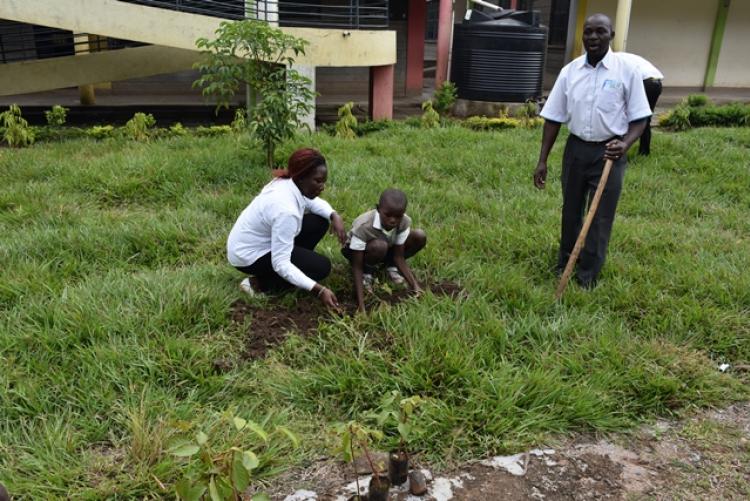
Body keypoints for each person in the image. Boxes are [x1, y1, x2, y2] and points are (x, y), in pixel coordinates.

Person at [534, 13, 652, 288]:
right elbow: (553, 117)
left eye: (600, 32)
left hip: (609, 153)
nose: (593, 37)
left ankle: (588, 275)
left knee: (599, 216)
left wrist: (625, 144)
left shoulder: (626, 71)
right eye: (588, 32)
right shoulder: (570, 71)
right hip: (575, 150)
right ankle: (566, 262)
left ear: (611, 35)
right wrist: (543, 160)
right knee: (571, 211)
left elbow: (640, 118)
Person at [227, 148, 346, 309]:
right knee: (321, 268)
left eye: (324, 181)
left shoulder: (289, 182)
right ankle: (257, 283)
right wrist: (318, 289)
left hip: (256, 241)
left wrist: (333, 215)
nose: (323, 186)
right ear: (302, 178)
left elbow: (311, 202)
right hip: (248, 255)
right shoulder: (286, 210)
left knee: (319, 221)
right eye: (318, 181)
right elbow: (280, 263)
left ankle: (297, 266)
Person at [341, 189, 426, 312]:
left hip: (385, 247)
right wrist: (361, 305)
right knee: (380, 246)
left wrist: (415, 286)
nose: (393, 220)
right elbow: (356, 266)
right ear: (378, 209)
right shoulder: (364, 226)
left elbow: (399, 256)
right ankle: (367, 274)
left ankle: (390, 267)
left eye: (398, 216)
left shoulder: (404, 221)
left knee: (419, 235)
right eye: (388, 215)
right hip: (357, 253)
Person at [617, 52, 664, 156]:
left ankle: (620, 148)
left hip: (645, 81)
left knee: (630, 116)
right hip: (656, 82)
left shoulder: (614, 61)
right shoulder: (624, 56)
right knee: (646, 118)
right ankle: (644, 152)